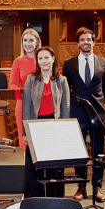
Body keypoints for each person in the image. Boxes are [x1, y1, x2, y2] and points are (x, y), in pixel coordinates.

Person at [62, 27, 105, 203]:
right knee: (79, 152)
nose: (86, 42)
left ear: (94, 42)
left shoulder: (104, 62)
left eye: (89, 39)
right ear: (77, 44)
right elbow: (66, 89)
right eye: (82, 40)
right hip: (77, 114)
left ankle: (98, 187)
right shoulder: (69, 63)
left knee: (99, 153)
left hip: (97, 114)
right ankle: (81, 186)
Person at [22, 46, 70, 198]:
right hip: (35, 125)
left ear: (53, 58)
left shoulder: (62, 80)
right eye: (40, 58)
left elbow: (65, 107)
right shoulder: (31, 79)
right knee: (33, 166)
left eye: (46, 57)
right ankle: (32, 199)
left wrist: (63, 130)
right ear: (37, 61)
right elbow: (27, 106)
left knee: (54, 166)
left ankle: (54, 198)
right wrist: (25, 132)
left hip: (54, 125)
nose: (43, 61)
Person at [9, 28, 41, 150]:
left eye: (31, 40)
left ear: (37, 42)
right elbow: (13, 84)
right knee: (26, 145)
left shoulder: (43, 59)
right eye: (25, 40)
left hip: (42, 104)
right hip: (24, 105)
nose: (28, 44)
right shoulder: (18, 61)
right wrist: (24, 95)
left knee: (40, 143)